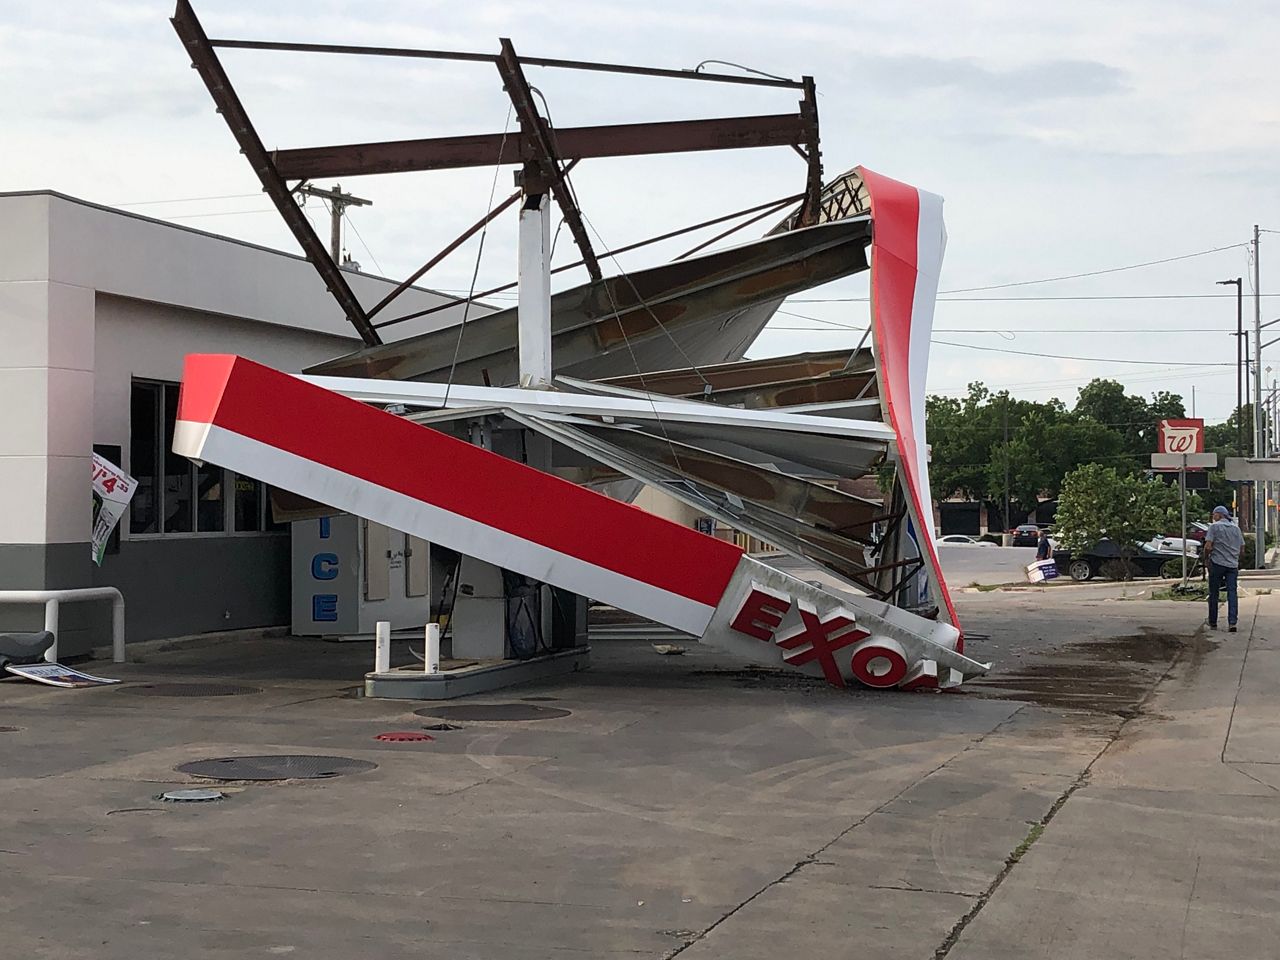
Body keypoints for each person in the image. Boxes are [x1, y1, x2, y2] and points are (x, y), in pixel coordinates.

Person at [1204, 505, 1244, 632]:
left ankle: (1213, 622)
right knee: (1232, 593)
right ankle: (1232, 622)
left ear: (1220, 515)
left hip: (1217, 563)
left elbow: (1208, 546)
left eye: (1214, 514)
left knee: (1214, 592)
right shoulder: (1236, 529)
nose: (1213, 516)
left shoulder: (1214, 527)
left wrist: (1206, 558)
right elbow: (1242, 548)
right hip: (1232, 565)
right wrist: (1236, 558)